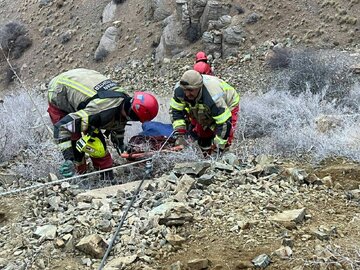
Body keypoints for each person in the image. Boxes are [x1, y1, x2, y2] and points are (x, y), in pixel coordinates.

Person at [47, 68, 159, 179]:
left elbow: (118, 123)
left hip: (82, 77)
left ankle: (104, 176)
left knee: (95, 141)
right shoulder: (100, 111)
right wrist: (68, 159)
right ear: (132, 115)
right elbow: (62, 127)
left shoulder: (124, 101)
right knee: (77, 139)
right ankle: (79, 175)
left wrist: (121, 145)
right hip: (59, 90)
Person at [170, 70, 240, 155]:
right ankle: (205, 153)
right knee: (202, 131)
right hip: (201, 103)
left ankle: (220, 157)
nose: (187, 94)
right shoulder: (179, 91)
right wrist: (180, 134)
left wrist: (218, 147)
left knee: (226, 137)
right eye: (185, 90)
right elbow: (176, 112)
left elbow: (224, 123)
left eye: (190, 90)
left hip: (229, 102)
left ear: (199, 87)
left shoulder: (213, 97)